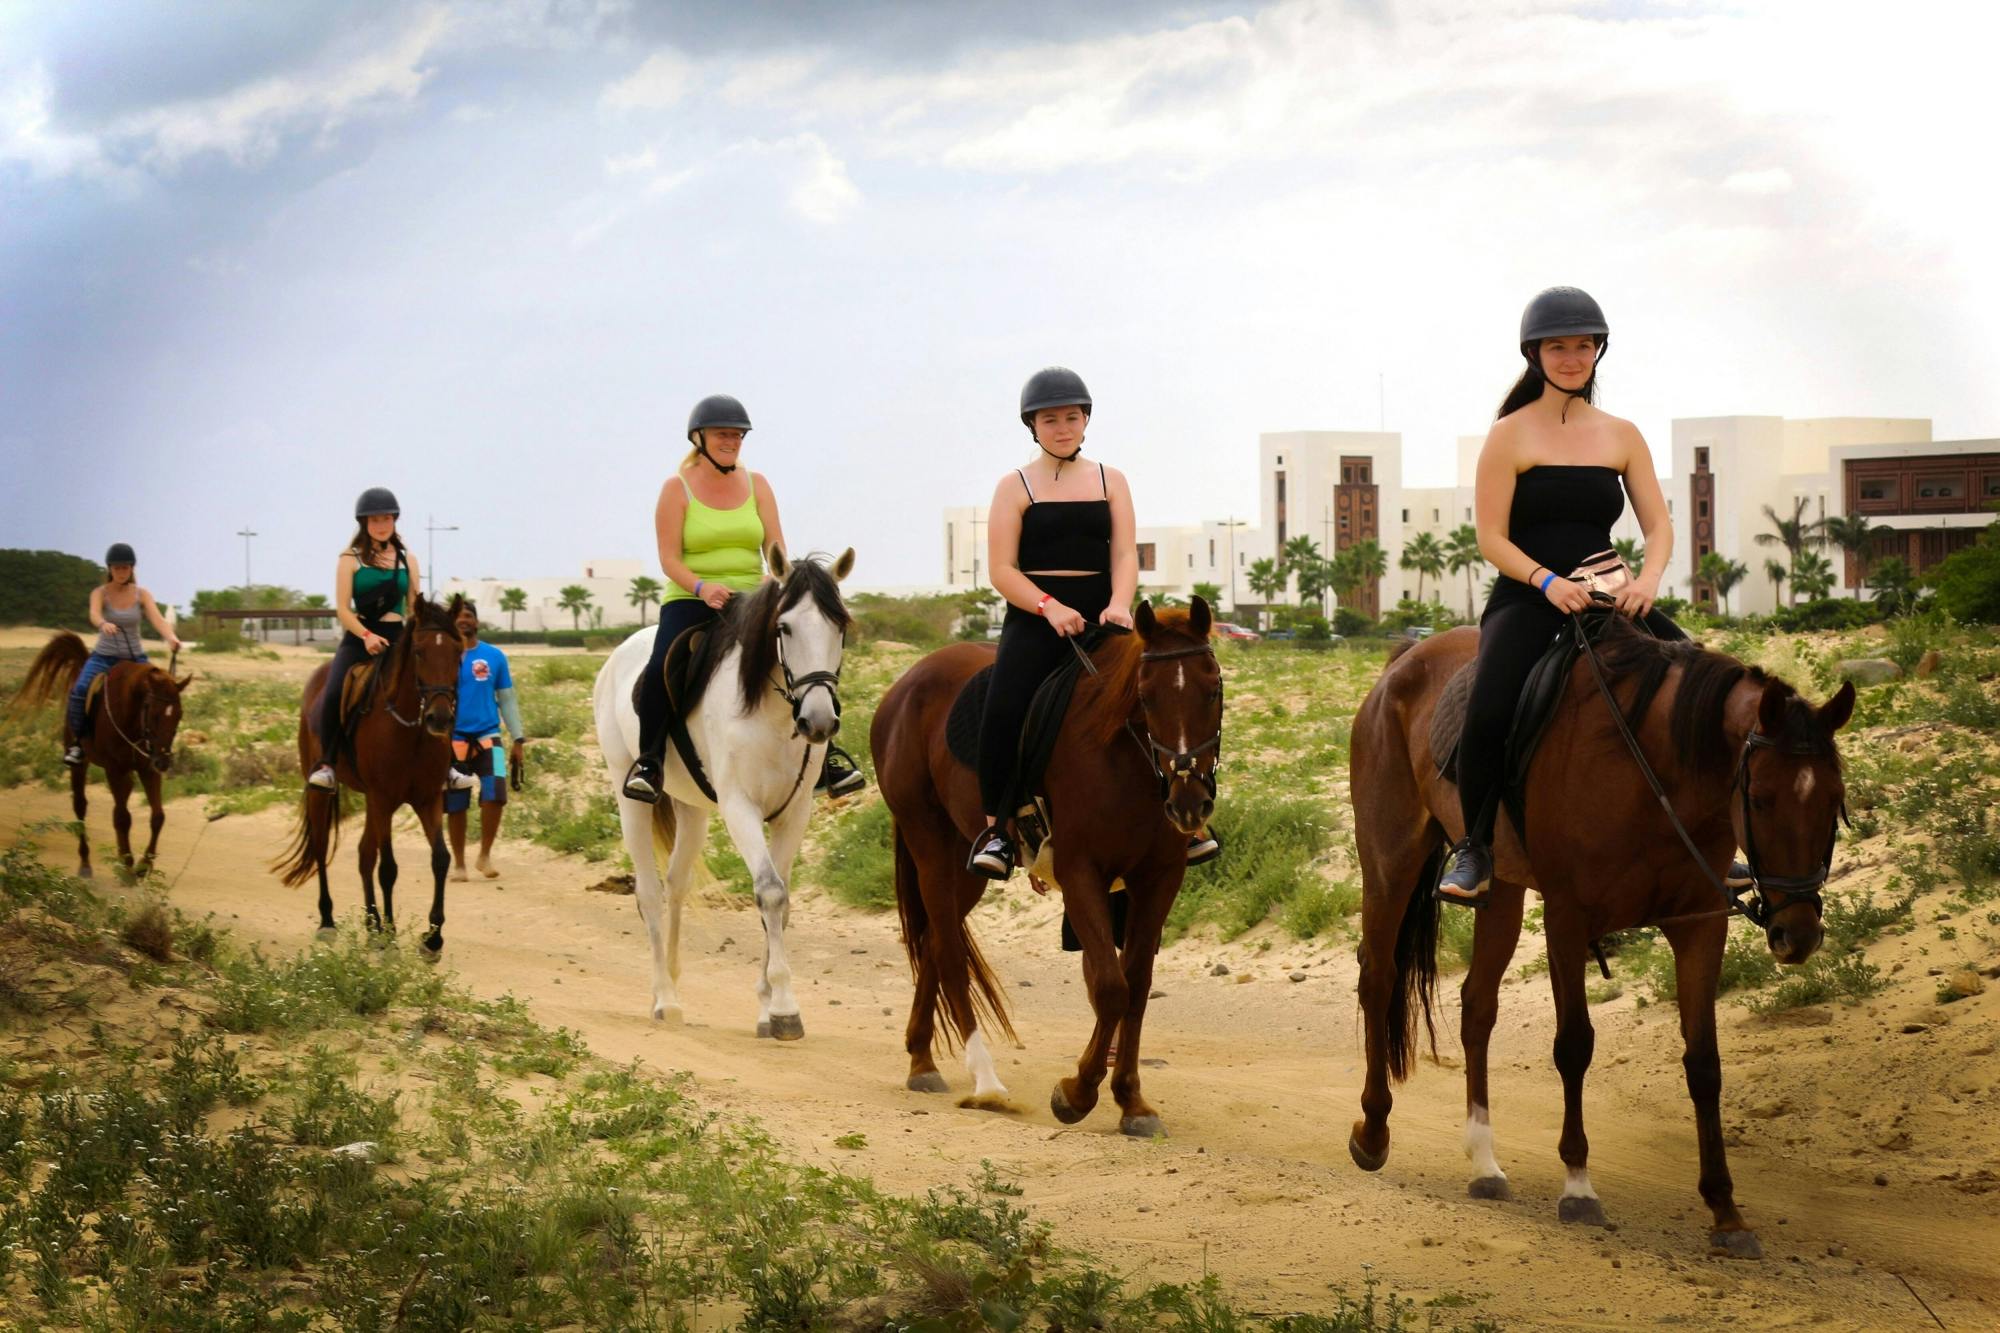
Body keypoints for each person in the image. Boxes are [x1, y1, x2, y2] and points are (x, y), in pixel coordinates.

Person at [1436, 287, 1687, 904]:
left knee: (1697, 688)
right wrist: (1547, 582)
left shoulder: (1622, 434)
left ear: (1598, 350)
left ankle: (1704, 840)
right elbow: (1490, 537)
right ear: (1535, 354)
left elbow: (1658, 525)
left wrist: (1649, 581)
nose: (1573, 357)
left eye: (1583, 345)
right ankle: (1473, 847)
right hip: (1528, 595)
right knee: (1489, 703)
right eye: (1558, 346)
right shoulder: (1509, 435)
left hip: (1612, 595)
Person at [967, 367, 1219, 881]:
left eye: (1072, 417)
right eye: (1051, 419)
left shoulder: (1111, 480)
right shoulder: (1013, 486)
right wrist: (1048, 606)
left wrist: (1121, 603)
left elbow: (1125, 551)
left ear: (1086, 422)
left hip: (1105, 615)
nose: (1063, 427)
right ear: (1032, 426)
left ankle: (1190, 823)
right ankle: (997, 829)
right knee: (1003, 707)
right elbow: (1001, 570)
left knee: (1167, 701)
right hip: (1037, 617)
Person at [622, 394, 866, 803]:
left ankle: (826, 760)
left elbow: (776, 550)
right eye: (723, 434)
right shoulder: (676, 488)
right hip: (690, 598)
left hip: (750, 599)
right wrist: (702, 587)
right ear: (699, 438)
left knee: (800, 661)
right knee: (665, 664)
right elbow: (668, 558)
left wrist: (777, 583)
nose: (732, 441)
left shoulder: (757, 485)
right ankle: (649, 761)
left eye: (738, 435)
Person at [307, 487, 477, 793]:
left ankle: (449, 764)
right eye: (374, 520)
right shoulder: (350, 559)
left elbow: (415, 606)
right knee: (333, 692)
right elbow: (343, 609)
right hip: (360, 636)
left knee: (439, 688)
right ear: (364, 523)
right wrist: (367, 635)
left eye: (386, 518)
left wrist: (430, 630)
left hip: (399, 636)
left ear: (394, 520)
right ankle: (328, 765)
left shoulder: (407, 559)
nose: (381, 524)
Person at [62, 543, 184, 768]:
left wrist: (171, 638)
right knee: (79, 692)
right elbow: (94, 614)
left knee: (162, 694)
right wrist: (103, 623)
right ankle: (78, 743)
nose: (121, 571)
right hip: (104, 657)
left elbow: (158, 619)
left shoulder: (142, 594)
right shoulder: (100, 593)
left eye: (126, 567)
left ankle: (153, 744)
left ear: (131, 569)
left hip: (135, 658)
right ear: (110, 568)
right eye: (117, 567)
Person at [444, 601, 526, 880]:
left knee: (496, 795)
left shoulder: (494, 656)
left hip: (490, 737)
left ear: (476, 622)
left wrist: (518, 738)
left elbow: (507, 698)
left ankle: (484, 855)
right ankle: (458, 864)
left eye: (468, 616)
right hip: (453, 741)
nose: (463, 621)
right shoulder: (443, 656)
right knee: (456, 803)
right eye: (457, 617)